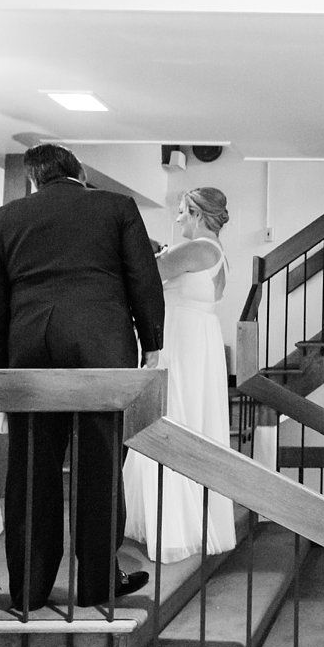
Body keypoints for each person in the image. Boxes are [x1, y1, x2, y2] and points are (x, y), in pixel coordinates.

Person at [0, 144, 164, 610]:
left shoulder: (3, 219)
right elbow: (142, 277)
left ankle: (30, 589)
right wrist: (152, 341)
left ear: (34, 179)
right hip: (101, 347)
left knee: (30, 468)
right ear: (78, 171)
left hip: (29, 347)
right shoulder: (116, 207)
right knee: (100, 464)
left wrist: (6, 354)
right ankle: (98, 584)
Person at [122, 188, 238, 563]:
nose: (177, 219)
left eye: (182, 212)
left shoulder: (197, 249)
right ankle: (181, 521)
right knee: (188, 418)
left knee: (171, 418)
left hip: (183, 341)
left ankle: (174, 528)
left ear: (197, 213)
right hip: (197, 340)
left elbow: (142, 275)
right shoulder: (217, 254)